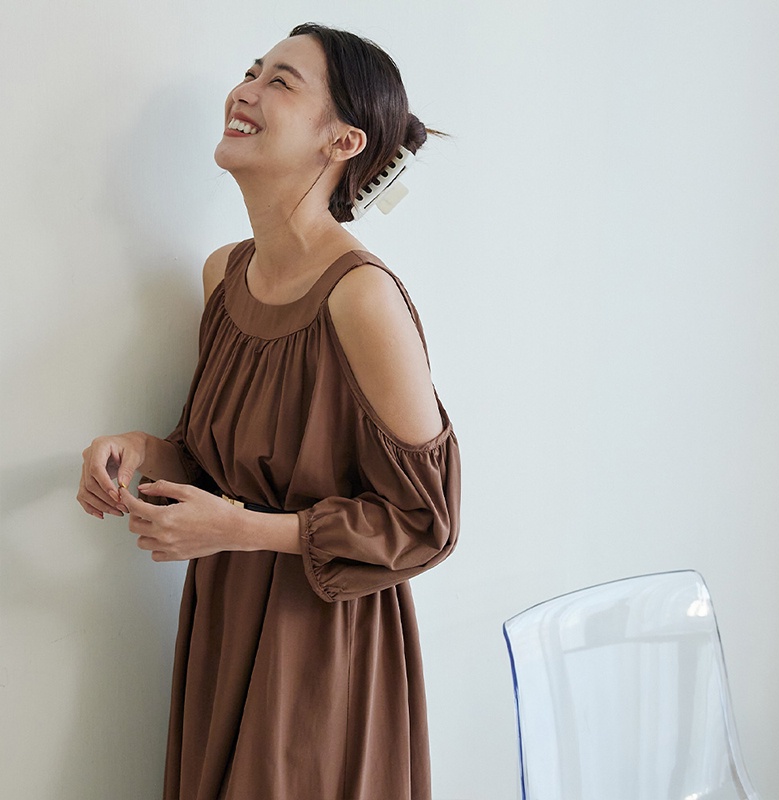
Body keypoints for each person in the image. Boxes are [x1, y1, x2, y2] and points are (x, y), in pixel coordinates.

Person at [77, 22, 460, 800]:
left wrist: (241, 531)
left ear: (341, 142)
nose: (245, 91)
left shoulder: (363, 297)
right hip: (226, 630)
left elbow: (427, 522)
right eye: (251, 71)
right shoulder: (224, 275)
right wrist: (144, 451)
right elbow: (227, 465)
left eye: (280, 81)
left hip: (321, 650)